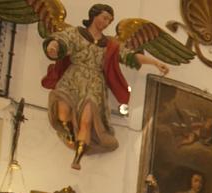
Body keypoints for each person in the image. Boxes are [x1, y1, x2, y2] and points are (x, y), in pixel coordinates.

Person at [40, 4, 172, 168]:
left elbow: (130, 56)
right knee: (63, 114)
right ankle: (71, 136)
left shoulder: (110, 44)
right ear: (94, 16)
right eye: (104, 17)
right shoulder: (76, 33)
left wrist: (155, 62)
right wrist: (53, 46)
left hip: (95, 83)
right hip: (72, 78)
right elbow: (61, 40)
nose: (106, 22)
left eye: (109, 20)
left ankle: (77, 159)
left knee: (87, 121)